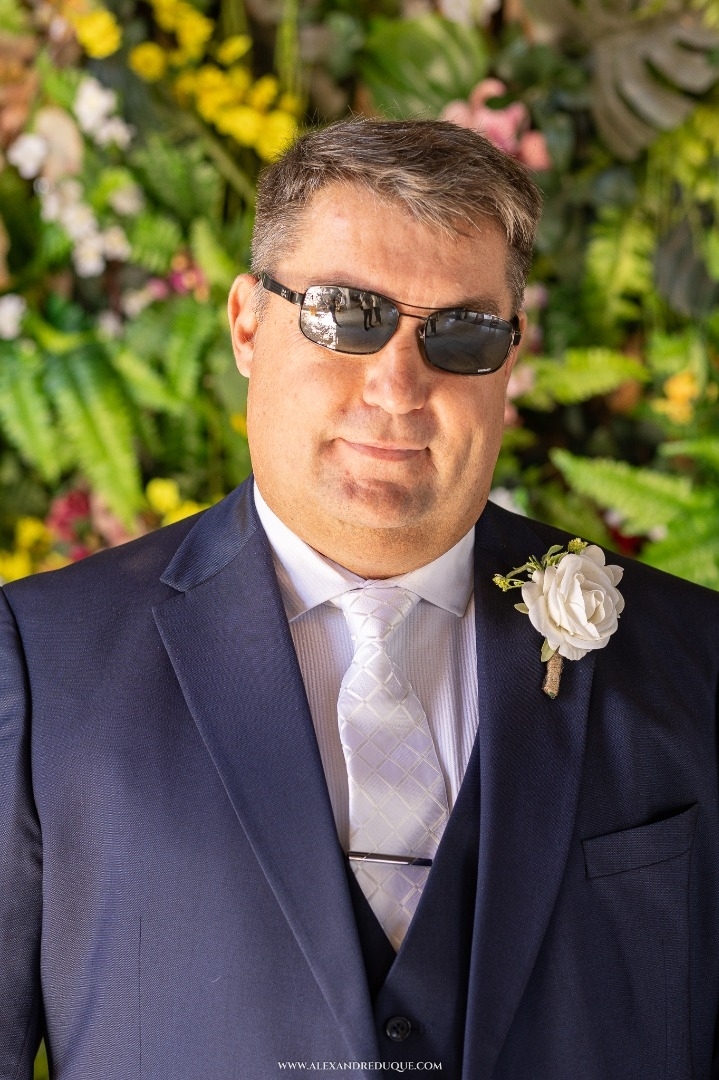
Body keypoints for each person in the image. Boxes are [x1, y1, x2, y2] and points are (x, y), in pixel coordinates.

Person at [1, 118, 718, 1080]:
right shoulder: (39, 659)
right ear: (246, 324)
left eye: (461, 332)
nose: (396, 386)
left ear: (509, 356)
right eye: (346, 313)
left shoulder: (694, 658)